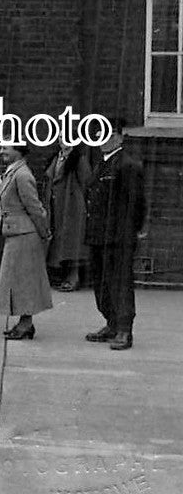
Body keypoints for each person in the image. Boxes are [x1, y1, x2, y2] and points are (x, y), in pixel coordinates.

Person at [83, 118, 146, 351]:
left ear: (119, 137)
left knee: (120, 283)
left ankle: (124, 330)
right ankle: (111, 323)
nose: (102, 139)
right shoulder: (102, 164)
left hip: (119, 237)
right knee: (100, 283)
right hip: (98, 235)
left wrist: (133, 232)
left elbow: (136, 203)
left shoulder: (128, 165)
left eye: (107, 135)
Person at [0, 144, 53, 340]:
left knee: (23, 281)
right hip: (16, 233)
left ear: (18, 151)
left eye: (6, 148)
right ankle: (23, 322)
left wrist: (44, 232)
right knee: (16, 280)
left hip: (24, 235)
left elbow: (34, 207)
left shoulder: (22, 175)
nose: (1, 151)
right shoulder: (14, 172)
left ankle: (26, 324)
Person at [45, 140, 93, 292]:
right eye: (60, 137)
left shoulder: (79, 159)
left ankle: (73, 278)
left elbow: (87, 182)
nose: (62, 141)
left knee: (72, 243)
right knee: (58, 241)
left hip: (71, 207)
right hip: (55, 206)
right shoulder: (56, 157)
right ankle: (60, 276)